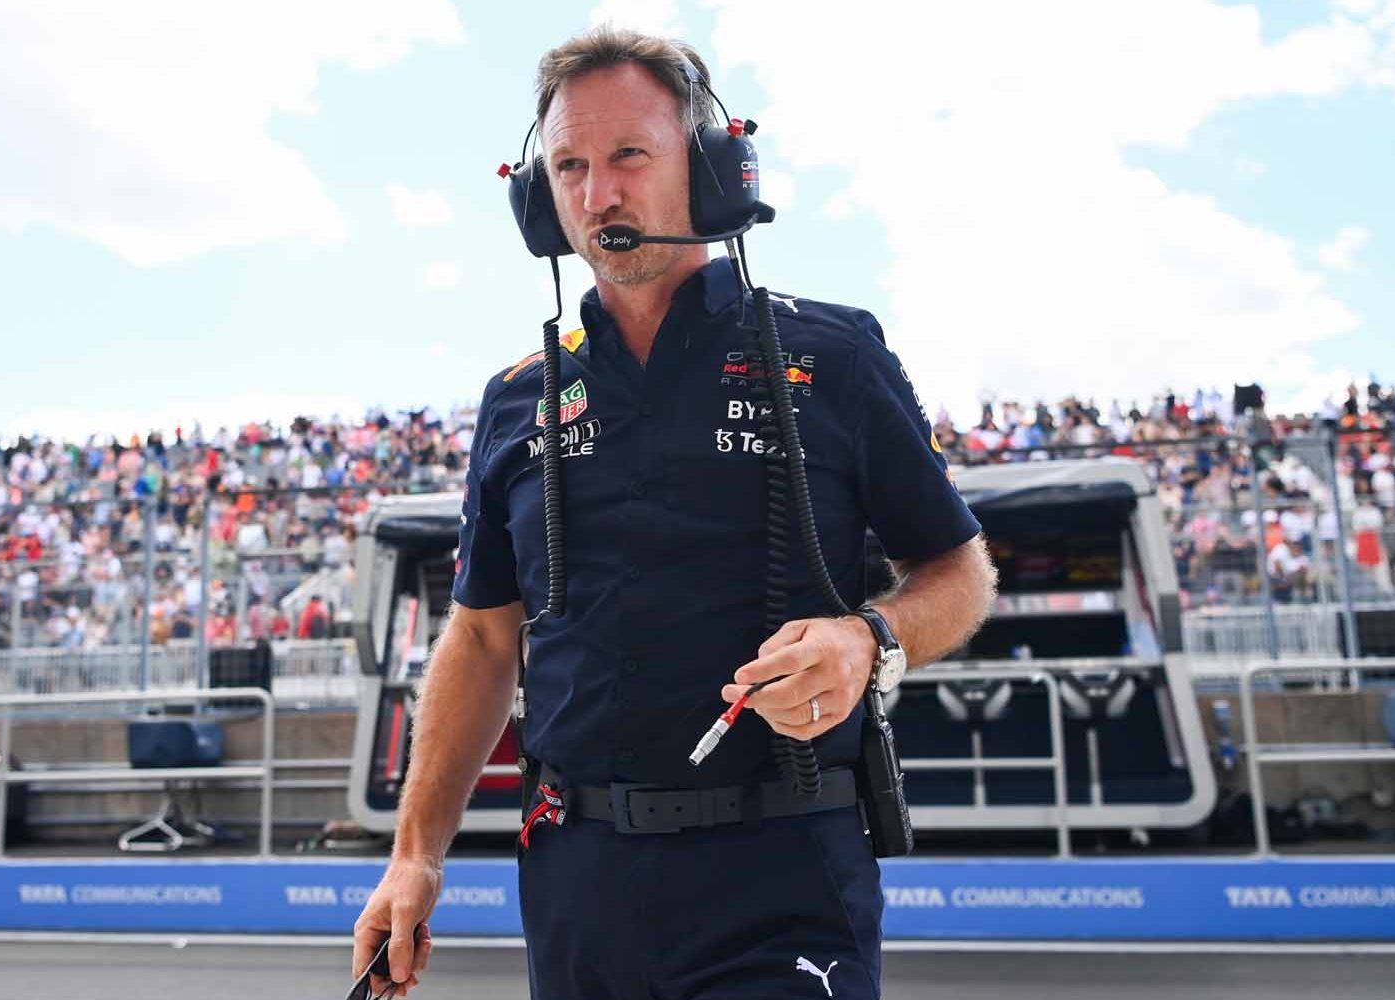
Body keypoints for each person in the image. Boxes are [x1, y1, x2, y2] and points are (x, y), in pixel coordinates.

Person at [352, 28, 996, 1000]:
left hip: (783, 877)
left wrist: (870, 641)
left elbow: (962, 575)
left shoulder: (836, 357)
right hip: (578, 888)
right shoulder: (515, 398)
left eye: (629, 157)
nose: (597, 195)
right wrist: (415, 854)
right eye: (568, 166)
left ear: (708, 169)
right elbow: (485, 640)